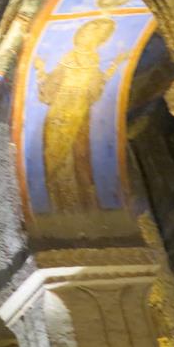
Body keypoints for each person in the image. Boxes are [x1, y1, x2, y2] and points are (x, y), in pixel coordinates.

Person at [33, 17, 126, 213]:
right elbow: (49, 91)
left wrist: (115, 65)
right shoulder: (69, 58)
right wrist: (40, 70)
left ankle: (82, 207)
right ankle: (61, 205)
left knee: (79, 158)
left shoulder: (93, 61)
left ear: (99, 39)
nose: (85, 34)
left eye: (92, 33)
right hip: (58, 115)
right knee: (55, 159)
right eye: (85, 30)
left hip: (80, 116)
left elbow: (96, 88)